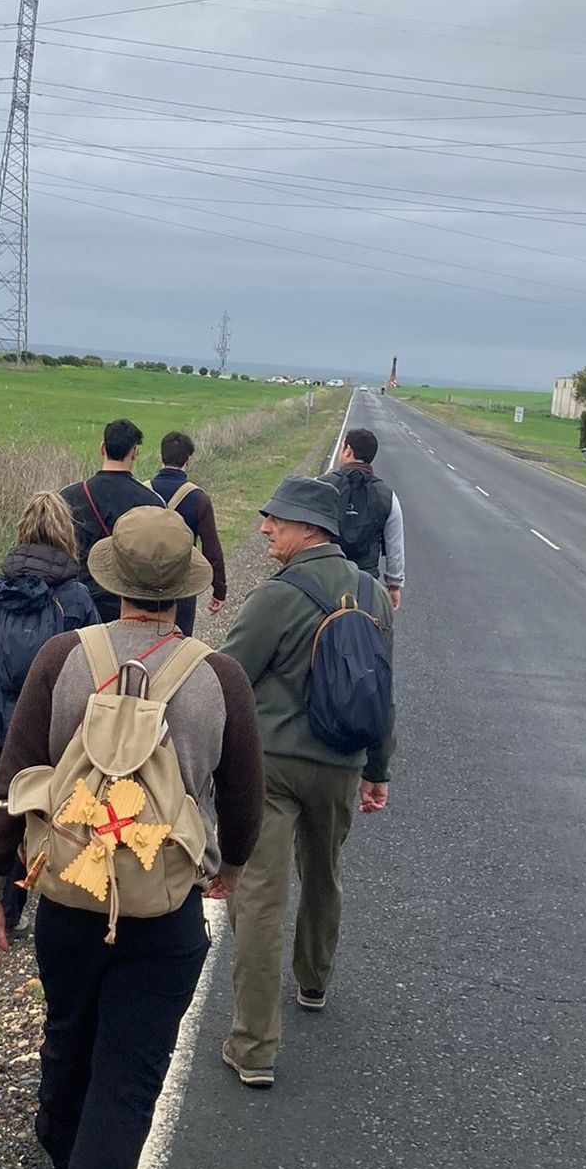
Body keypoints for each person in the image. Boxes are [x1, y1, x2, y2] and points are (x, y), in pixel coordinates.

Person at [0, 508, 263, 1169]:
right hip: (161, 912)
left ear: (113, 578)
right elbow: (240, 813)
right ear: (185, 592)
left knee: (68, 1046)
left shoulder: (66, 658)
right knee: (127, 1083)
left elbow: (15, 776)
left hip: (66, 898)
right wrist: (225, 873)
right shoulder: (220, 678)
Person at [220, 476, 396, 1087]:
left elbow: (229, 677)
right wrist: (377, 769)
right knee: (323, 874)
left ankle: (254, 1048)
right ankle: (314, 982)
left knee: (261, 897)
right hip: (342, 765)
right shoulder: (372, 594)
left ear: (310, 530)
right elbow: (383, 691)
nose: (266, 527)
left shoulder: (278, 595)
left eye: (277, 519)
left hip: (271, 769)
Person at [0, 491, 100, 931]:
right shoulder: (75, 596)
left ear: (23, 531)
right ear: (67, 535)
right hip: (52, 721)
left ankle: (5, 907)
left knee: (5, 797)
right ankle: (52, 888)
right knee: (51, 802)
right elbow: (89, 663)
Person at [60, 419, 161, 622]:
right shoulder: (151, 501)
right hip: (128, 604)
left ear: (102, 448)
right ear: (134, 452)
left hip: (77, 602)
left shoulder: (68, 496)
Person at [148, 430, 228, 636]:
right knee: (179, 642)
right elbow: (211, 548)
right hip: (182, 581)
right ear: (188, 460)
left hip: (143, 577)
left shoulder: (141, 491)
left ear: (161, 457)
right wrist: (219, 589)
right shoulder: (198, 498)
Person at [327, 427, 405, 611]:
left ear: (348, 450)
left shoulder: (321, 485)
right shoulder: (387, 496)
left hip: (324, 577)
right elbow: (395, 545)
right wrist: (394, 584)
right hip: (364, 584)